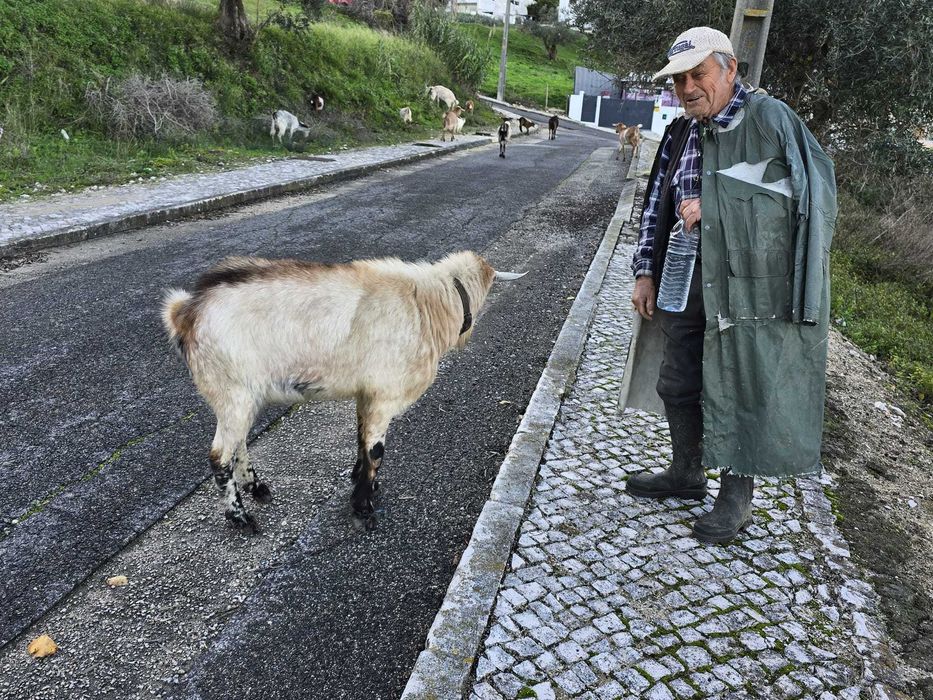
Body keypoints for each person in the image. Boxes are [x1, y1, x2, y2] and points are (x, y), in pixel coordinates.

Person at [626, 26, 837, 543]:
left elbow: (808, 199)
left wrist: (716, 209)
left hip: (749, 283)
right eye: (679, 80)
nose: (688, 88)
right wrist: (645, 270)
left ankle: (734, 500)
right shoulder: (681, 131)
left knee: (740, 380)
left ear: (731, 70)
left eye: (698, 74)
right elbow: (657, 203)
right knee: (677, 378)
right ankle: (686, 473)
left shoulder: (771, 121)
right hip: (685, 273)